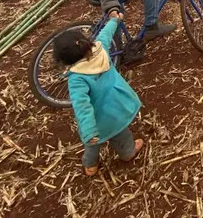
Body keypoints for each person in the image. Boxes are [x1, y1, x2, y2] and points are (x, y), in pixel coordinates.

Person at [54, 14, 144, 176]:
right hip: (116, 110)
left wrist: (89, 130)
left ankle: (90, 166)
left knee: (92, 145)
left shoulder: (77, 78)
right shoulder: (100, 49)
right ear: (85, 43)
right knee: (121, 135)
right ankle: (128, 152)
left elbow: (82, 105)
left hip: (97, 120)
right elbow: (106, 33)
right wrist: (115, 20)